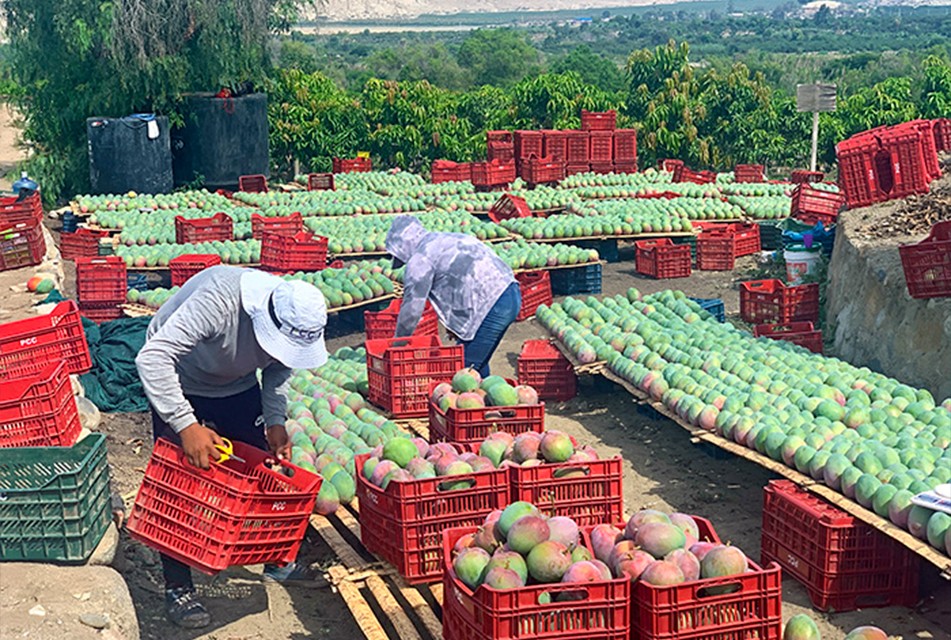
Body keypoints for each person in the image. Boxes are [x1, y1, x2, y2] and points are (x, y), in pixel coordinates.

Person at [135, 265, 329, 629]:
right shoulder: (219, 303)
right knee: (178, 483)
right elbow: (153, 357)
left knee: (260, 473)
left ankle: (275, 561)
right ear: (261, 322)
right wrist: (186, 424)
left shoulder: (292, 311)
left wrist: (275, 420)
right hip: (181, 377)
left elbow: (280, 366)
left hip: (237, 384)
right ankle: (178, 587)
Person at [385, 215, 521, 377]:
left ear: (403, 246)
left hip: (493, 304)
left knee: (463, 372)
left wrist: (397, 345)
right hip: (509, 290)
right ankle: (487, 388)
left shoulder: (420, 260)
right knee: (475, 364)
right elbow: (459, 282)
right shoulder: (444, 239)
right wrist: (457, 325)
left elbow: (412, 310)